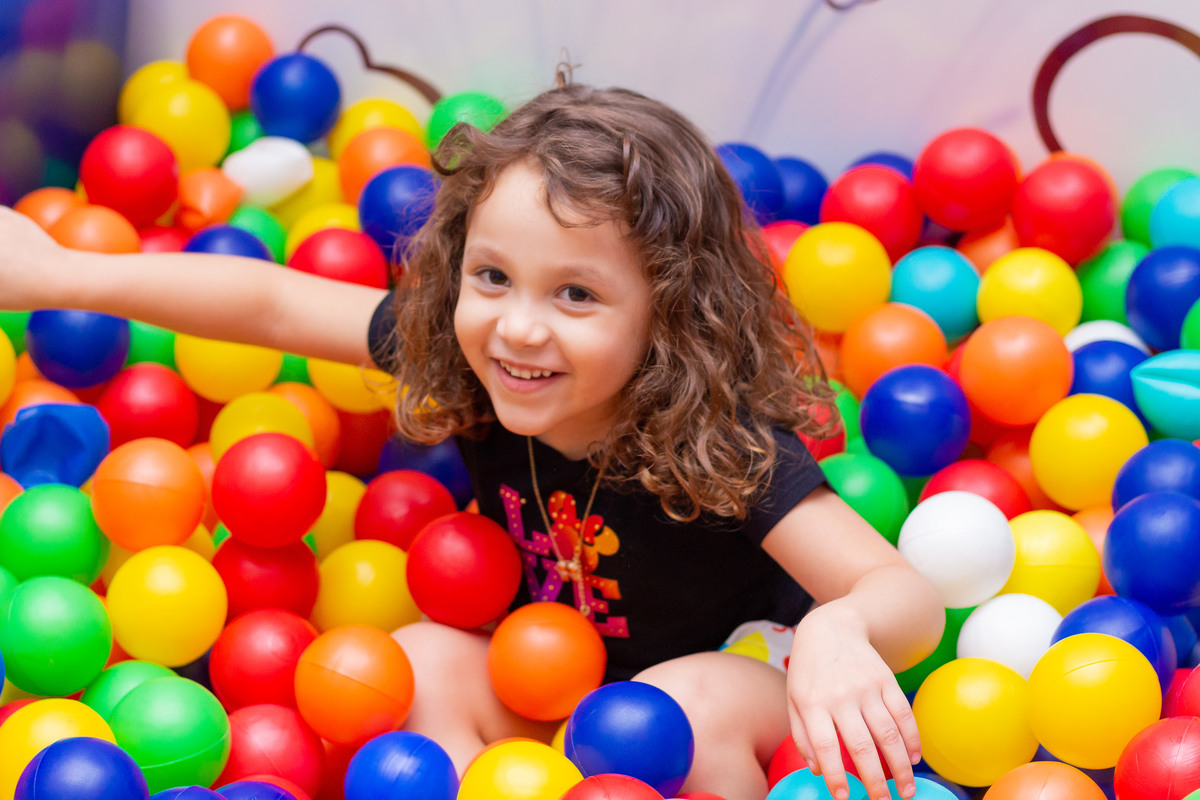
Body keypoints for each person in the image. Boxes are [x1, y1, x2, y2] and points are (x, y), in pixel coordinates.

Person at [0, 81, 943, 800]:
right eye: (492, 275)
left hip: (740, 678)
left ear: (670, 317)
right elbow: (274, 299)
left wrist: (840, 628)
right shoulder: (470, 362)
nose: (518, 327)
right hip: (558, 672)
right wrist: (62, 272)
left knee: (678, 705)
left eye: (576, 294)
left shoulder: (717, 441)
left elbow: (905, 595)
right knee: (423, 659)